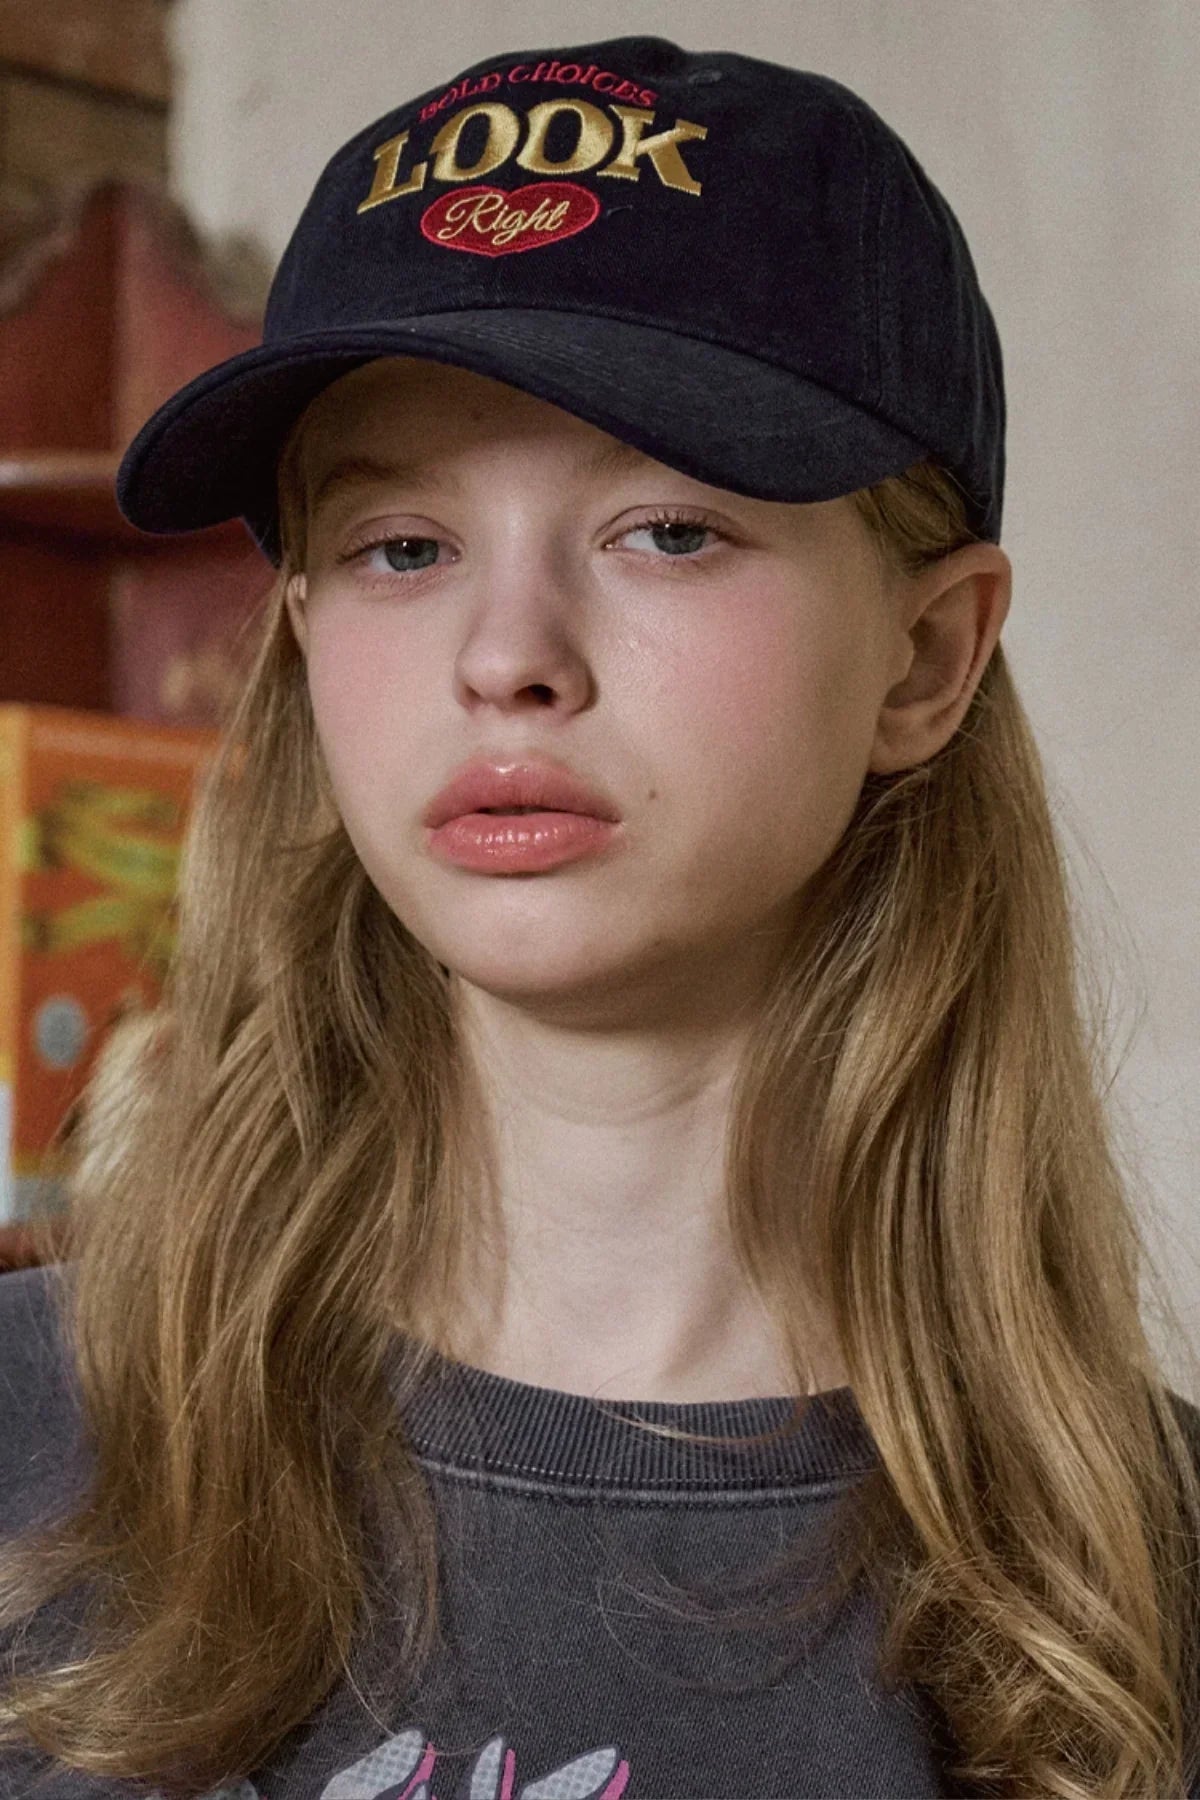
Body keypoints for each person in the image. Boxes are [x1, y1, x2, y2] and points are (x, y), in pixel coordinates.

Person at [1, 33, 1197, 1800]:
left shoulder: (1142, 1598)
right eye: (405, 545)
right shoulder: (23, 1447)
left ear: (927, 655)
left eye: (665, 530)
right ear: (310, 631)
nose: (507, 657)